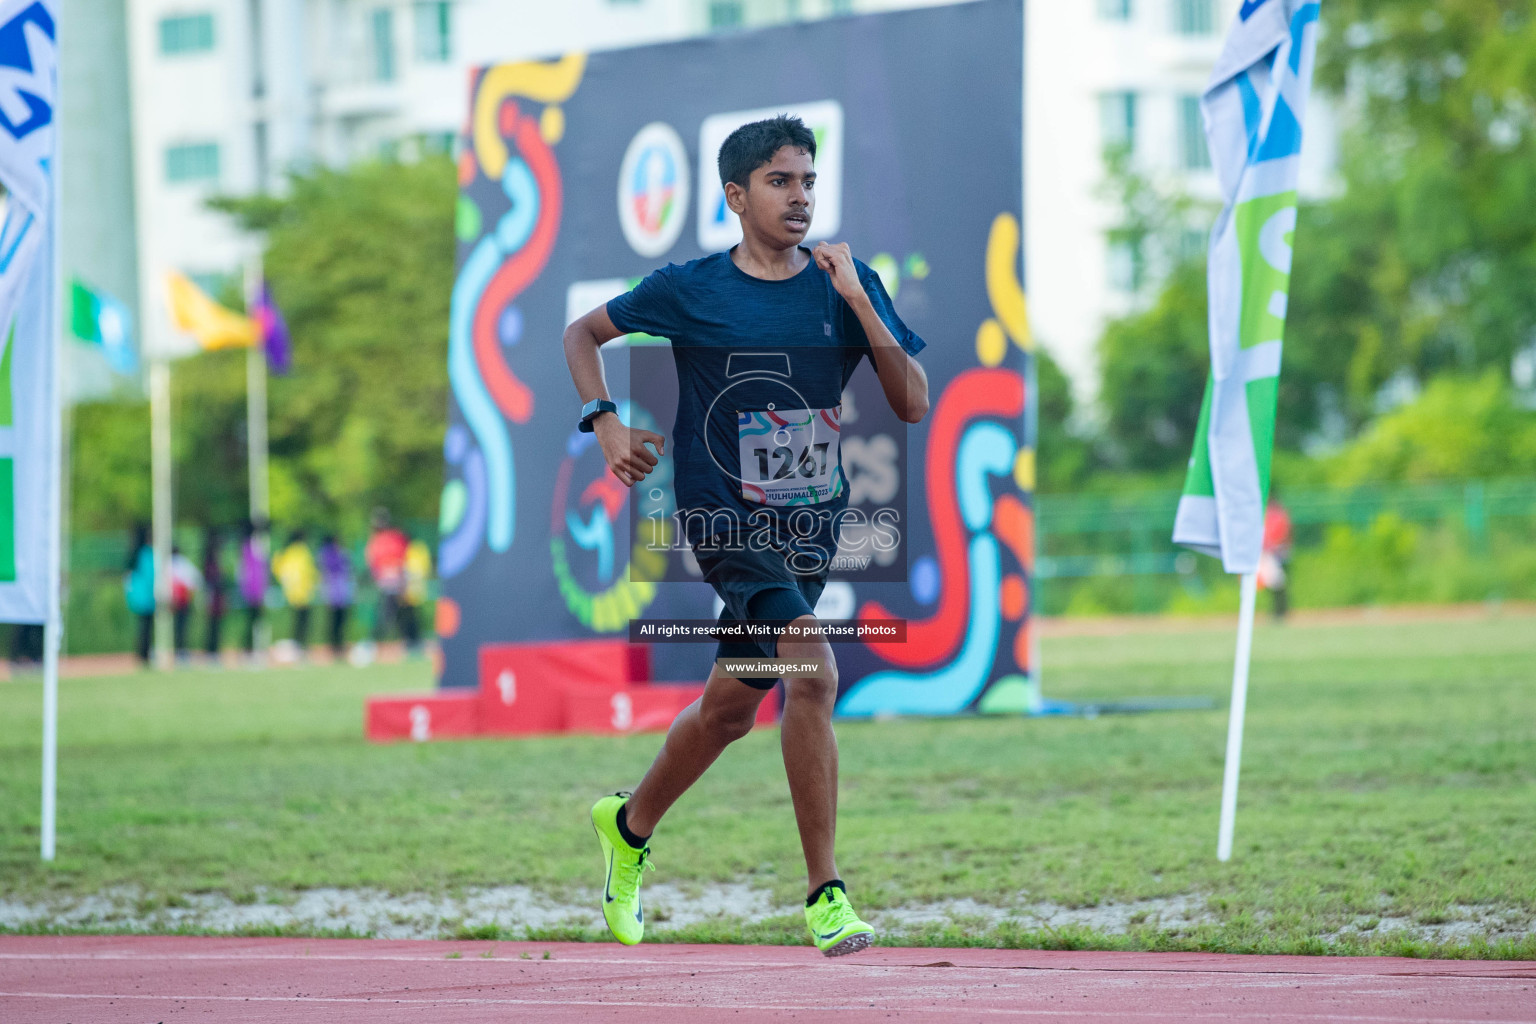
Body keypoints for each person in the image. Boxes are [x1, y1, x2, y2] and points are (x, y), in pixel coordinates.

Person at [563, 115, 928, 956]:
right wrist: (606, 422)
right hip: (724, 517)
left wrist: (859, 303)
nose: (799, 197)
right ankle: (825, 894)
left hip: (813, 522)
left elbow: (911, 402)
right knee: (814, 672)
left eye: (806, 181)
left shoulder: (846, 281)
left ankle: (629, 824)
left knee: (731, 708)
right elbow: (582, 335)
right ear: (736, 195)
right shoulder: (691, 288)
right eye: (779, 182)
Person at [361, 508, 408, 663]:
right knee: (395, 613)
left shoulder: (377, 541)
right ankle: (402, 642)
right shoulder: (396, 537)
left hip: (388, 582)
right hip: (395, 581)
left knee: (388, 614)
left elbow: (372, 563)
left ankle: (375, 644)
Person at [271, 529, 320, 658]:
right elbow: (310, 570)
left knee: (295, 622)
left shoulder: (287, 552)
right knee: (302, 623)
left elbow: (278, 569)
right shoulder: (303, 551)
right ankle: (300, 647)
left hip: (291, 593)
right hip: (304, 593)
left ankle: (296, 647)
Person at [318, 534, 354, 662]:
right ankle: (334, 647)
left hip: (340, 594)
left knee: (340, 622)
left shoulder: (340, 554)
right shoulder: (330, 555)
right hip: (335, 594)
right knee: (334, 623)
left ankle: (338, 646)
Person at [123, 524, 156, 667]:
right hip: (147, 597)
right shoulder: (146, 554)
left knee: (143, 626)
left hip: (139, 597)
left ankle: (143, 653)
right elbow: (151, 576)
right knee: (146, 627)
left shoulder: (136, 554)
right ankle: (144, 654)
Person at [1259, 489, 1294, 621]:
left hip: (1274, 552)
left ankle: (1280, 611)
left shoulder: (1274, 515)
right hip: (1275, 551)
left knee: (1277, 582)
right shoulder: (1278, 514)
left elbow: (1278, 534)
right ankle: (1279, 611)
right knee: (1275, 582)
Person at [237, 521, 269, 661]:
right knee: (252, 620)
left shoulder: (249, 546)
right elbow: (251, 572)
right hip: (253, 590)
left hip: (254, 589)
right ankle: (249, 649)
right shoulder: (250, 546)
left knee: (254, 620)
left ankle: (253, 648)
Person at [400, 533, 433, 657]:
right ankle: (414, 640)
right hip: (417, 588)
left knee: (411, 616)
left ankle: (413, 640)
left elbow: (407, 570)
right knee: (413, 615)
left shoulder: (410, 551)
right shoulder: (420, 550)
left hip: (411, 588)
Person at [169, 545, 204, 663]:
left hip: (176, 600)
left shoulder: (169, 563)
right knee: (181, 627)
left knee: (177, 627)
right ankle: (180, 651)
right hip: (181, 600)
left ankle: (178, 651)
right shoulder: (181, 563)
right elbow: (196, 579)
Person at [201, 527, 228, 663]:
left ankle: (214, 651)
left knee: (216, 625)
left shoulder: (216, 559)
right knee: (212, 624)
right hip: (212, 596)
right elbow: (210, 580)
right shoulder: (210, 560)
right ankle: (211, 651)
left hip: (217, 596)